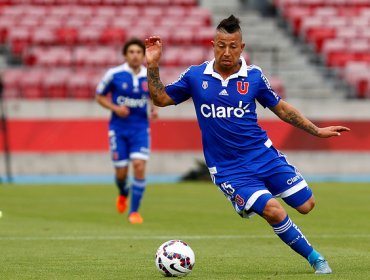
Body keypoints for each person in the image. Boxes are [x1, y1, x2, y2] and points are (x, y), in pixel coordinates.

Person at [145, 15, 350, 273]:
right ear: (213, 44)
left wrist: (316, 131)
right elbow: (161, 99)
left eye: (232, 46)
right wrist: (152, 65)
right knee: (274, 211)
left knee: (307, 206)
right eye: (221, 45)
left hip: (263, 155)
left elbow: (282, 109)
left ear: (242, 47)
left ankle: (252, 200)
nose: (226, 52)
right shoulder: (196, 76)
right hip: (229, 168)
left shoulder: (253, 77)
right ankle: (316, 258)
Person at [96, 38, 157, 224]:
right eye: (131, 52)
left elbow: (155, 95)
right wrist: (115, 109)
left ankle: (134, 212)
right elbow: (99, 96)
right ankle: (123, 192)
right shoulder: (114, 74)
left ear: (143, 55)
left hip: (140, 128)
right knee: (121, 173)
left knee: (139, 165)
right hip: (118, 129)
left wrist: (154, 109)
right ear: (125, 55)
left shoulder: (150, 76)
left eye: (139, 52)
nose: (135, 55)